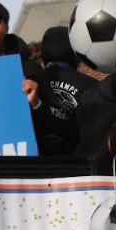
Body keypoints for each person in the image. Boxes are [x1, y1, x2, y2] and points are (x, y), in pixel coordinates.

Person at [36, 26, 99, 156]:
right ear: (77, 56)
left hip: (35, 166)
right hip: (78, 168)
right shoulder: (94, 87)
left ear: (42, 58)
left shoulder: (29, 85)